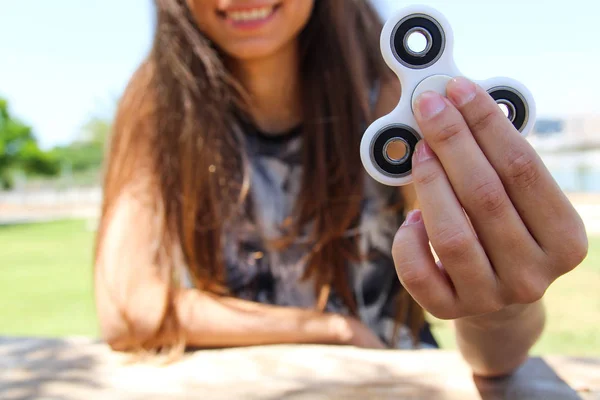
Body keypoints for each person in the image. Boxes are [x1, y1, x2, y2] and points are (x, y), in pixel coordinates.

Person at [93, 0, 588, 377]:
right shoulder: (160, 102)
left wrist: (501, 301)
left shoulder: (390, 95)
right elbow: (127, 308)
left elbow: (493, 357)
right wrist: (330, 329)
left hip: (392, 380)